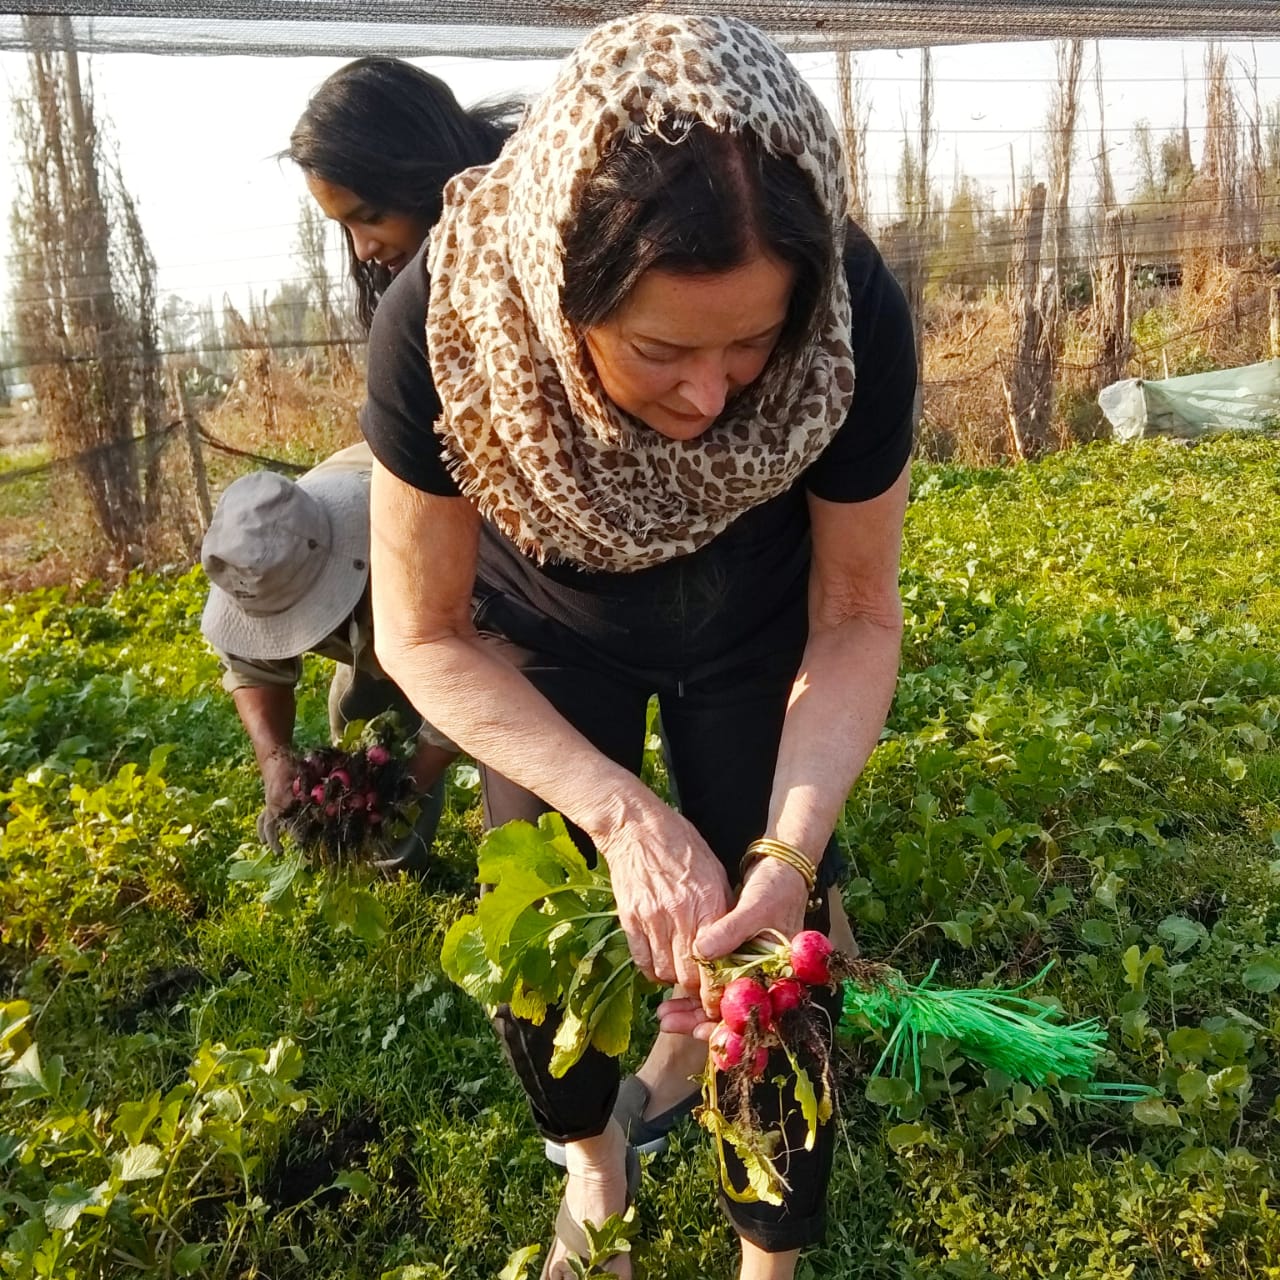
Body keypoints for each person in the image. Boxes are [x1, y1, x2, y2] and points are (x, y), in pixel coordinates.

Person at [362, 14, 915, 1279]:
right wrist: (616, 814)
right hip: (546, 627)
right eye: (661, 348)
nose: (710, 396)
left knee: (774, 949)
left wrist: (784, 845)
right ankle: (596, 1161)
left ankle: (764, 1252)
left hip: (753, 614)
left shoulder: (849, 312)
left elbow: (854, 614)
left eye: (749, 344)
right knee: (548, 927)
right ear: (566, 292)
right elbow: (423, 631)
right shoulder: (444, 326)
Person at [200, 444, 457, 870]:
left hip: (483, 606)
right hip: (375, 605)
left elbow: (481, 667)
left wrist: (411, 782)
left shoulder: (415, 537)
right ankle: (392, 863)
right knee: (357, 709)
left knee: (509, 755)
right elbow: (250, 666)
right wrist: (275, 762)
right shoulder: (253, 557)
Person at [284, 56, 521, 333]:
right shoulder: (416, 315)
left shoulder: (543, 246)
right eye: (346, 228)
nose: (362, 251)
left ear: (423, 174)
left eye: (372, 216)